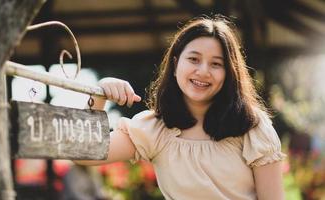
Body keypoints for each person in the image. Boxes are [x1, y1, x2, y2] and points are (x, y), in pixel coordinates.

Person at [75, 15, 286, 200]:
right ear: (176, 65)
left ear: (229, 73)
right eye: (194, 59)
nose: (203, 71)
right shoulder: (154, 129)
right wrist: (99, 94)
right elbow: (82, 153)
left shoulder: (251, 127)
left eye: (216, 64)